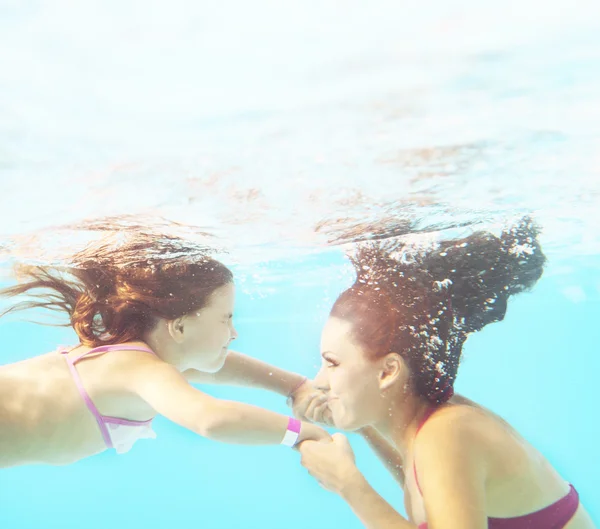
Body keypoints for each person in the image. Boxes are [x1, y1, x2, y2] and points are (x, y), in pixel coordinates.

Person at [292, 218, 595, 529]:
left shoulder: (446, 435)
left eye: (332, 363)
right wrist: (362, 425)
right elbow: (428, 495)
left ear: (388, 372)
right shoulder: (430, 433)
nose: (319, 381)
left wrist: (349, 485)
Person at [0, 232, 328, 468]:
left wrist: (293, 386)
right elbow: (212, 418)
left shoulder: (144, 360)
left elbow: (216, 365)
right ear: (179, 327)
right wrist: (302, 434)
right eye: (226, 319)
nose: (234, 333)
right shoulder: (140, 369)